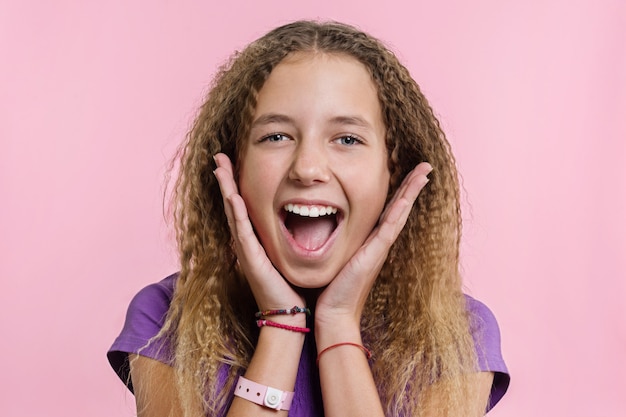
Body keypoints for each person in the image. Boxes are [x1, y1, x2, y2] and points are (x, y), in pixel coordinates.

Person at [108, 20, 509, 417]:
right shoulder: (165, 318)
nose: (308, 168)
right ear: (234, 166)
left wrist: (337, 324)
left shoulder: (459, 335)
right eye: (276, 136)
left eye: (348, 139)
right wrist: (282, 327)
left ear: (395, 172)